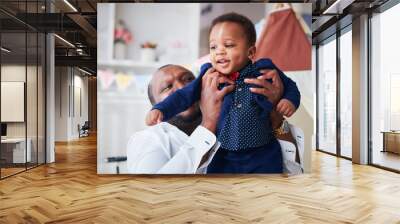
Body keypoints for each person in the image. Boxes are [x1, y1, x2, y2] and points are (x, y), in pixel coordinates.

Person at [145, 13, 300, 173]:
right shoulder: (208, 77)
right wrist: (161, 109)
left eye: (229, 45)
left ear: (251, 52)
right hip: (224, 154)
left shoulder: (265, 70)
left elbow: (290, 86)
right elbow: (183, 95)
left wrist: (288, 101)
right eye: (213, 47)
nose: (219, 52)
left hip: (262, 150)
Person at [126, 64, 295, 174]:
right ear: (156, 104)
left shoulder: (237, 121)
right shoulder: (148, 139)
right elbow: (151, 193)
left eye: (189, 80)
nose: (182, 88)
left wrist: (276, 116)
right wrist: (209, 122)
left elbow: (293, 172)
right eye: (167, 87)